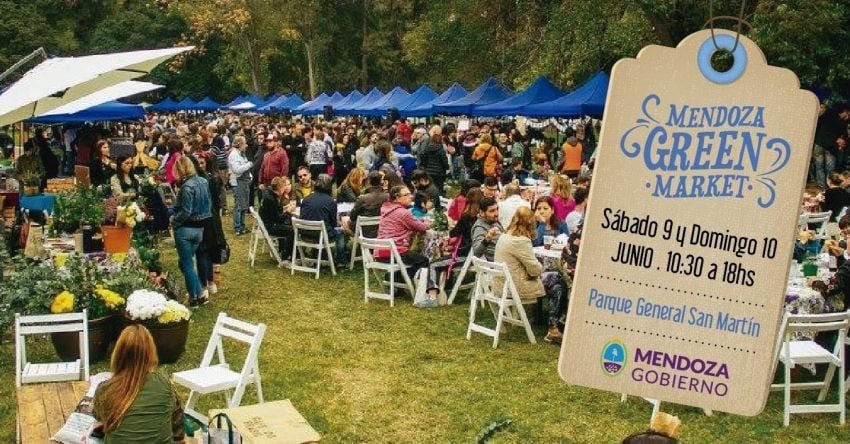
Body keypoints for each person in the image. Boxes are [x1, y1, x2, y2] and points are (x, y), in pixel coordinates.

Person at [93, 325, 184, 443]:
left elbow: (98, 416)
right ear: (151, 353)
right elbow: (178, 432)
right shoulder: (164, 385)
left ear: (118, 353)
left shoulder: (105, 389)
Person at [377, 185, 441, 307]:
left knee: (415, 257)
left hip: (380, 252)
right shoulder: (403, 213)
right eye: (406, 195)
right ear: (397, 197)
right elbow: (421, 227)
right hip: (395, 252)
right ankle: (419, 289)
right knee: (424, 260)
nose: (410, 196)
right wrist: (429, 223)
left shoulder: (386, 208)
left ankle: (396, 278)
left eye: (410, 193)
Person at [171, 156, 212, 307]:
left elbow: (186, 211)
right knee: (184, 263)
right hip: (200, 229)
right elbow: (208, 204)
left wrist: (174, 221)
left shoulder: (186, 187)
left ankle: (195, 297)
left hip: (185, 229)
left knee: (187, 264)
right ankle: (199, 293)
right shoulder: (204, 182)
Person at [493, 206, 545, 304]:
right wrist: (542, 266)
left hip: (499, 285)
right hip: (513, 288)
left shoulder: (504, 236)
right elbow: (535, 270)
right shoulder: (521, 241)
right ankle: (543, 314)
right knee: (552, 280)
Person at [196, 153, 227, 295]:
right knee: (205, 250)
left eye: (202, 162)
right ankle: (208, 281)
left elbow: (216, 200)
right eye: (198, 163)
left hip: (210, 217)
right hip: (207, 216)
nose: (200, 165)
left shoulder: (212, 179)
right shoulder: (200, 178)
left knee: (209, 249)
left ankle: (210, 281)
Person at [299, 174, 346, 264]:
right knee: (340, 232)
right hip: (322, 235)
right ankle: (341, 261)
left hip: (305, 235)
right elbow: (333, 223)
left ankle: (316, 254)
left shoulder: (306, 199)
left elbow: (302, 217)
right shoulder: (330, 201)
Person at [260, 176, 296, 261]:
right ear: (280, 188)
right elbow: (278, 219)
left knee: (289, 225)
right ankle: (286, 255)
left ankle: (283, 250)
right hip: (270, 226)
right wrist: (288, 212)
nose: (284, 190)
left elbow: (274, 211)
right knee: (293, 230)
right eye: (283, 187)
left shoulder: (268, 194)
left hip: (267, 223)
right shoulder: (271, 199)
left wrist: (284, 208)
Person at [347, 170, 388, 237]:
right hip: (384, 231)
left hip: (365, 233)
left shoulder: (362, 199)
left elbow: (352, 217)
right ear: (381, 181)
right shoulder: (388, 197)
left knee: (346, 221)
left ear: (368, 181)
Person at [228, 135, 253, 235]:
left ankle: (242, 226)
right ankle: (237, 227)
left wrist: (250, 176)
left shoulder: (241, 154)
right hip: (237, 182)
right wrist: (248, 165)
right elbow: (236, 170)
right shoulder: (234, 155)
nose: (246, 145)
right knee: (238, 206)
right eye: (244, 143)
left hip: (244, 181)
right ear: (239, 144)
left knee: (244, 205)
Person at [449, 188, 483, 258]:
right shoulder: (483, 217)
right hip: (479, 252)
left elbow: (453, 233)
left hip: (466, 253)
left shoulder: (466, 217)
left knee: (434, 263)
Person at [417, 125, 449, 193]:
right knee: (439, 188)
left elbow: (424, 156)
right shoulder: (440, 149)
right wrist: (447, 167)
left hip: (429, 171)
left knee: (430, 187)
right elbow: (444, 161)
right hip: (439, 172)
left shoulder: (428, 148)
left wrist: (425, 166)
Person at [471, 197, 503, 261]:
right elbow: (476, 253)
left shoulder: (493, 221)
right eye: (492, 211)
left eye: (497, 209)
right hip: (496, 262)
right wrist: (487, 239)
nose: (496, 213)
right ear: (482, 213)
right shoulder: (479, 228)